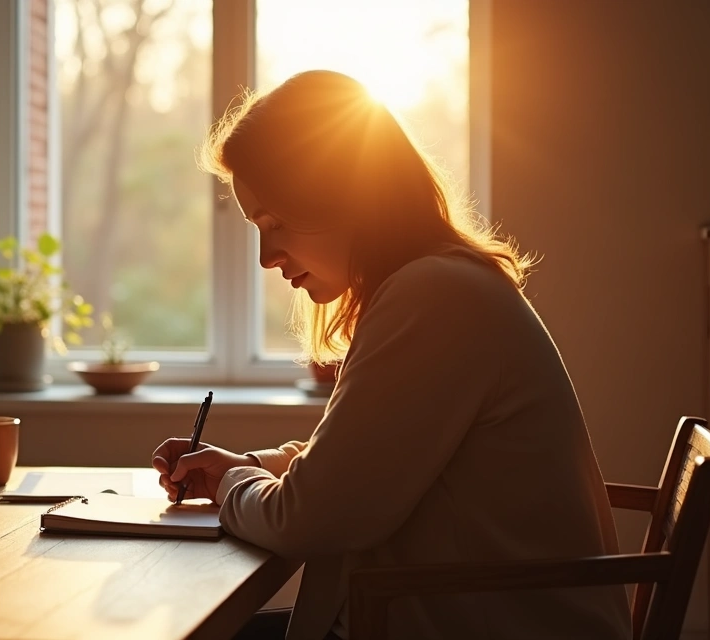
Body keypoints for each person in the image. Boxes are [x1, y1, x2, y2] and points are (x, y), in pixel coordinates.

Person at [150, 70, 632, 640]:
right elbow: (358, 463)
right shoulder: (439, 285)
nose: (265, 256)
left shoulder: (435, 297)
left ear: (343, 194)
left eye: (274, 223)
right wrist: (251, 467)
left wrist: (233, 482)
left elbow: (310, 519)